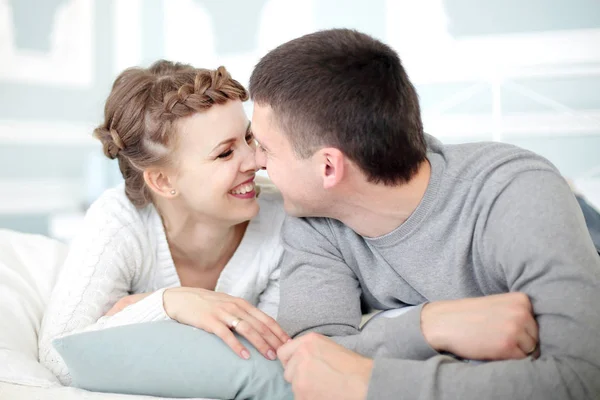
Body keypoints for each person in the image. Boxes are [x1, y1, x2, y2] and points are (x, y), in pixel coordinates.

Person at [248, 29, 600, 399]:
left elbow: (582, 380)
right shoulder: (315, 219)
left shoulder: (516, 192)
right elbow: (311, 356)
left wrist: (370, 381)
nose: (256, 162)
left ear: (329, 168)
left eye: (266, 149)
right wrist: (430, 325)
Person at [38, 60, 290, 385]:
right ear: (162, 181)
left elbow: (271, 356)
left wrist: (134, 309)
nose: (258, 160)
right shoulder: (120, 222)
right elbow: (59, 359)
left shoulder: (284, 220)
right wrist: (168, 302)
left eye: (249, 138)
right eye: (225, 153)